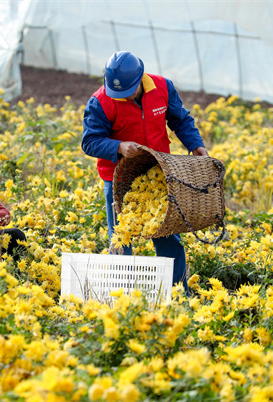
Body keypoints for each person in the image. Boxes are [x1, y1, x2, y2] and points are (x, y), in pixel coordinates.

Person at [81, 51, 209, 293]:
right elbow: (90, 141)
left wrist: (196, 144)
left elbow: (180, 119)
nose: (121, 97)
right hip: (119, 178)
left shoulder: (162, 87)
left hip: (159, 174)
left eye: (127, 92)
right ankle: (122, 294)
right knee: (121, 234)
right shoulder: (101, 101)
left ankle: (177, 291)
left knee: (167, 231)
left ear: (141, 79)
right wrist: (118, 147)